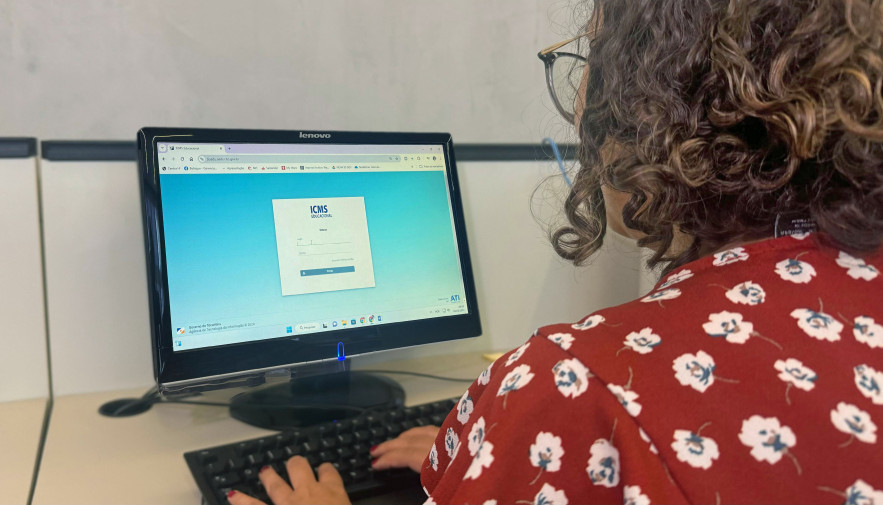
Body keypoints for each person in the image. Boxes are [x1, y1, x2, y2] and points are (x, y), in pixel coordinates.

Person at [230, 0, 883, 503]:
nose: (577, 106)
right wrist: (505, 455)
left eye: (592, 61)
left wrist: (535, 430)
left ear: (651, 101)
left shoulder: (574, 386)